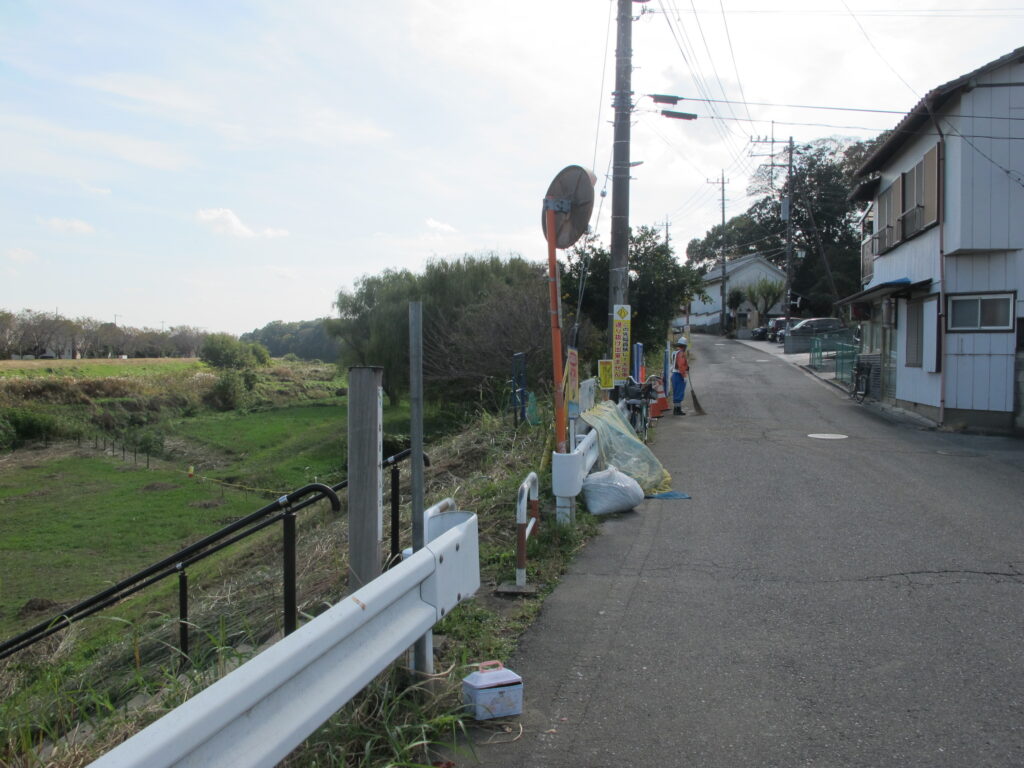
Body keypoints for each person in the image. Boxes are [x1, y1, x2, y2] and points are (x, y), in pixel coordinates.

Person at [672, 337, 689, 415]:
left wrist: (687, 367)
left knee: (676, 393)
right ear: (684, 346)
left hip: (674, 374)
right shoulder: (681, 353)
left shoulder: (674, 352)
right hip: (679, 375)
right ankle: (677, 410)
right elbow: (681, 365)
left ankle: (676, 409)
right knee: (679, 393)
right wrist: (684, 375)